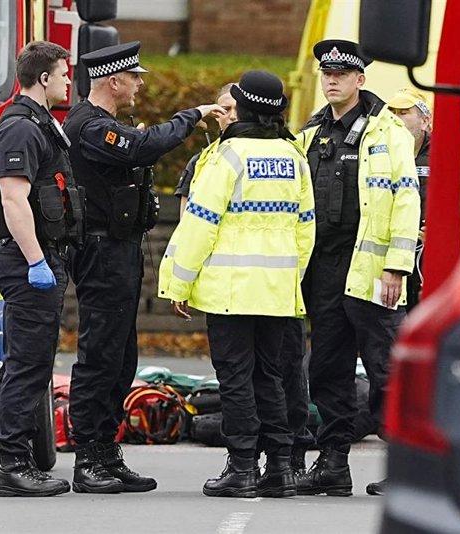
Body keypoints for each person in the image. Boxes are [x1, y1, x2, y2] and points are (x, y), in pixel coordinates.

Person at [63, 41, 226, 494]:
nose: (139, 84)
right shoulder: (92, 127)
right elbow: (143, 147)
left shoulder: (107, 123)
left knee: (121, 356)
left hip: (121, 248)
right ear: (114, 80)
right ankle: (89, 458)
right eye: (135, 77)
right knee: (99, 356)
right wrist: (191, 115)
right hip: (101, 251)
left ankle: (107, 452)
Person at [159, 70, 316, 498]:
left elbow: (200, 226)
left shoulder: (225, 157)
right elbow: (306, 229)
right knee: (271, 376)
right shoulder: (294, 156)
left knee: (236, 378)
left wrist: (178, 284)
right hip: (279, 289)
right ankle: (280, 468)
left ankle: (243, 467)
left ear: (242, 107)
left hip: (230, 290)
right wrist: (290, 277)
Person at [295, 40, 420, 497]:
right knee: (328, 369)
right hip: (324, 271)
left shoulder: (389, 133)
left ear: (360, 80)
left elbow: (407, 201)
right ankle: (332, 464)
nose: (331, 80)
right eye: (326, 72)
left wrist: (397, 267)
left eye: (341, 74)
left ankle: (407, 469)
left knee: (387, 371)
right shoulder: (310, 133)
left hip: (371, 272)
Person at [0, 40, 76, 497]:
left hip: (40, 258)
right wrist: (37, 260)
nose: (68, 81)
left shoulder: (41, 123)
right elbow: (13, 199)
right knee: (26, 364)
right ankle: (14, 465)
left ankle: (18, 461)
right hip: (28, 262)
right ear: (44, 78)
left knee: (33, 363)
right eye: (63, 74)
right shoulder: (20, 128)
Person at [387, 87, 432, 311]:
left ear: (424, 121)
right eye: (392, 112)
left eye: (404, 112)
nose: (395, 118)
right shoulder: (380, 153)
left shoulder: (440, 154)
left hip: (425, 254)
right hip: (390, 252)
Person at [174, 82, 238, 216]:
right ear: (215, 114)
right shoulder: (200, 162)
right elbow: (185, 221)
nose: (232, 116)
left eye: (239, 110)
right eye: (226, 109)